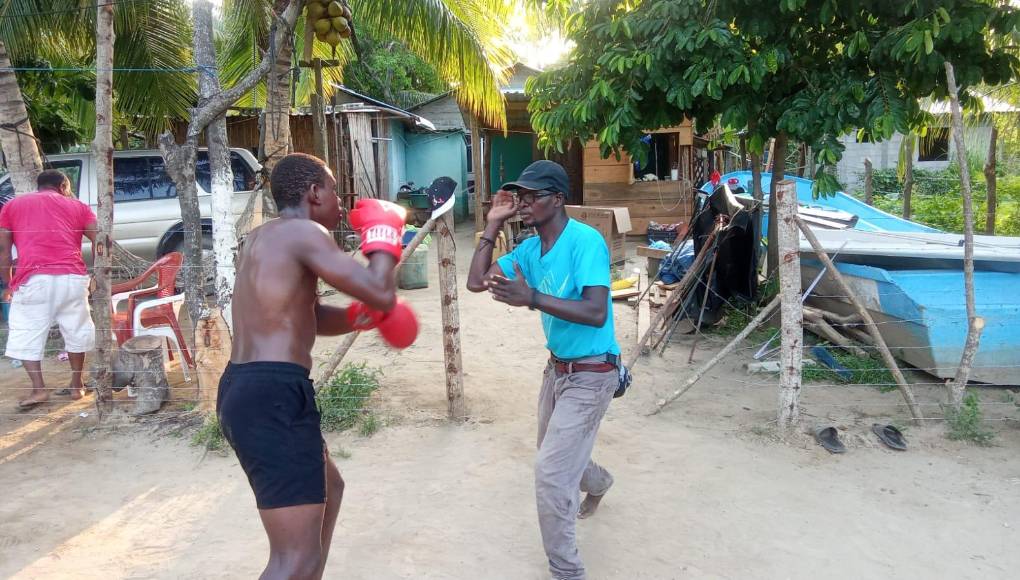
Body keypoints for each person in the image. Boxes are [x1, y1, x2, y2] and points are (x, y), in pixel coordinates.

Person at [218, 152, 418, 580]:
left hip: (248, 387)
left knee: (332, 488)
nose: (343, 203)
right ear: (313, 193)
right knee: (294, 558)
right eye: (333, 190)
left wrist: (352, 318)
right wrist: (384, 233)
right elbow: (381, 291)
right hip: (272, 394)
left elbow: (302, 313)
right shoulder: (304, 232)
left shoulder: (263, 238)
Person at [467, 160, 621, 580]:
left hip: (593, 372)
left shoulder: (585, 241)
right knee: (557, 456)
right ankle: (601, 481)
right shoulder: (530, 251)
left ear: (558, 199)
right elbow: (477, 282)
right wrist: (492, 224)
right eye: (521, 196)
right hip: (558, 371)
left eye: (534, 196)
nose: (524, 203)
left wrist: (531, 297)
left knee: (552, 472)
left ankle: (566, 571)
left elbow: (593, 311)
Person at [0, 170, 97, 410]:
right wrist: (96, 274)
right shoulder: (78, 206)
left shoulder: (12, 205)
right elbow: (101, 240)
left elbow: (3, 250)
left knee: (25, 332)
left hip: (34, 279)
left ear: (39, 185)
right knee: (76, 330)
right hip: (72, 279)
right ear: (63, 186)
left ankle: (39, 389)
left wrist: (9, 283)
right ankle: (77, 385)